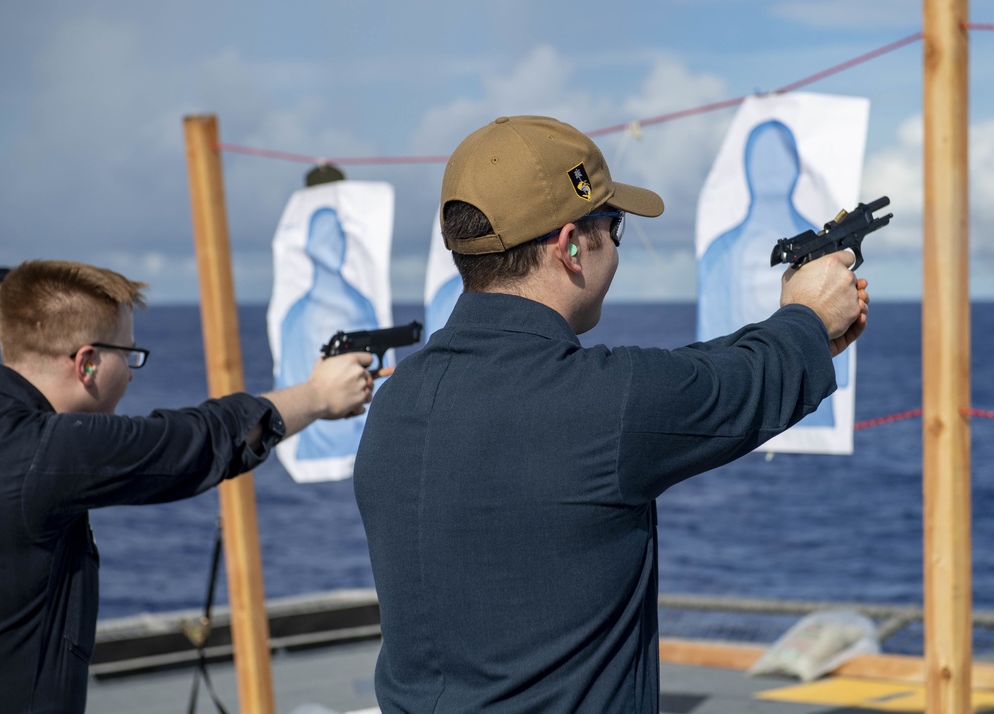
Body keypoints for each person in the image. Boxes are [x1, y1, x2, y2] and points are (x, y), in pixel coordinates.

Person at [353, 115, 869, 712]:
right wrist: (806, 320)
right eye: (613, 226)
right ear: (572, 246)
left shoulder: (397, 401)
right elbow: (735, 388)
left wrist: (800, 331)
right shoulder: (601, 404)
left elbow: (678, 381)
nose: (617, 246)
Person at [0, 260, 379, 713]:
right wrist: (318, 397)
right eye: (128, 354)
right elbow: (198, 440)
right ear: (88, 364)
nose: (133, 373)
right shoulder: (46, 453)